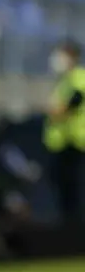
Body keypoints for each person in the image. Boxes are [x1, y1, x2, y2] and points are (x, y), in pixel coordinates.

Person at [43, 39, 85, 222]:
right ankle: (70, 226)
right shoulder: (64, 80)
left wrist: (56, 110)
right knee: (63, 188)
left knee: (73, 189)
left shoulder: (78, 77)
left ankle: (74, 227)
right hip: (63, 143)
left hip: (76, 142)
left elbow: (73, 102)